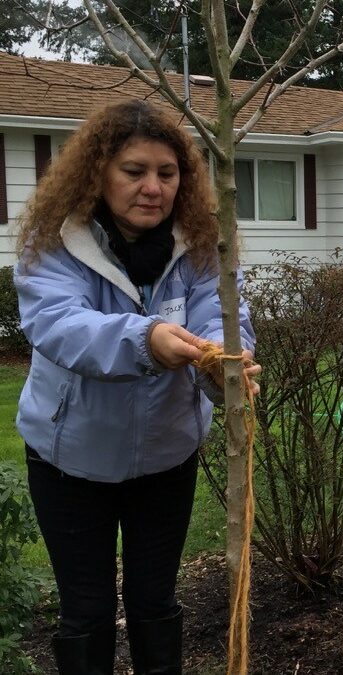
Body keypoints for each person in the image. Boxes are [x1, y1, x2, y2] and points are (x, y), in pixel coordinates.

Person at [16, 99, 259, 674]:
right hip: (69, 462)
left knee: (155, 601)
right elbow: (59, 325)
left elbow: (222, 313)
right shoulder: (55, 243)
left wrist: (225, 365)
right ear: (99, 171)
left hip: (164, 459)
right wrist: (146, 339)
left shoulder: (200, 244)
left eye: (167, 173)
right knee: (87, 609)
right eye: (134, 171)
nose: (153, 187)